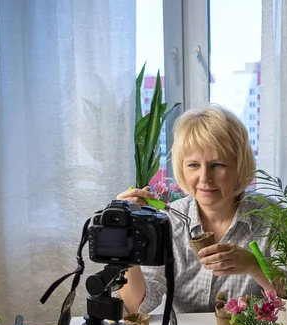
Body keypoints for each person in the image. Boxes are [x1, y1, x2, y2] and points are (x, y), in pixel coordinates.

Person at [116, 104, 274, 314]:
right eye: (193, 165)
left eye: (218, 164)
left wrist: (254, 266)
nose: (205, 178)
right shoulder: (167, 221)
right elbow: (137, 306)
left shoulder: (272, 218)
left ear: (240, 166)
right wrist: (126, 238)